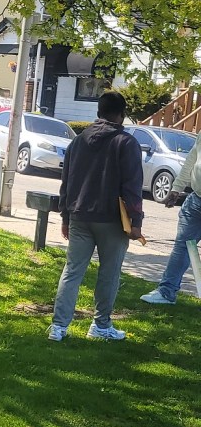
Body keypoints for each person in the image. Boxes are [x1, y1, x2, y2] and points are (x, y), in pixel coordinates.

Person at [46, 91, 143, 342]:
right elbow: (132, 187)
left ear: (98, 112)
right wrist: (136, 222)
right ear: (121, 114)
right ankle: (100, 325)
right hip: (112, 218)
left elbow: (66, 181)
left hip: (78, 214)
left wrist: (65, 217)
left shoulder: (78, 141)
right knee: (109, 273)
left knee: (72, 271)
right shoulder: (126, 143)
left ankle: (58, 327)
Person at [140, 132, 201, 304]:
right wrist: (176, 188)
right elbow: (192, 159)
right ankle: (166, 292)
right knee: (183, 246)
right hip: (196, 199)